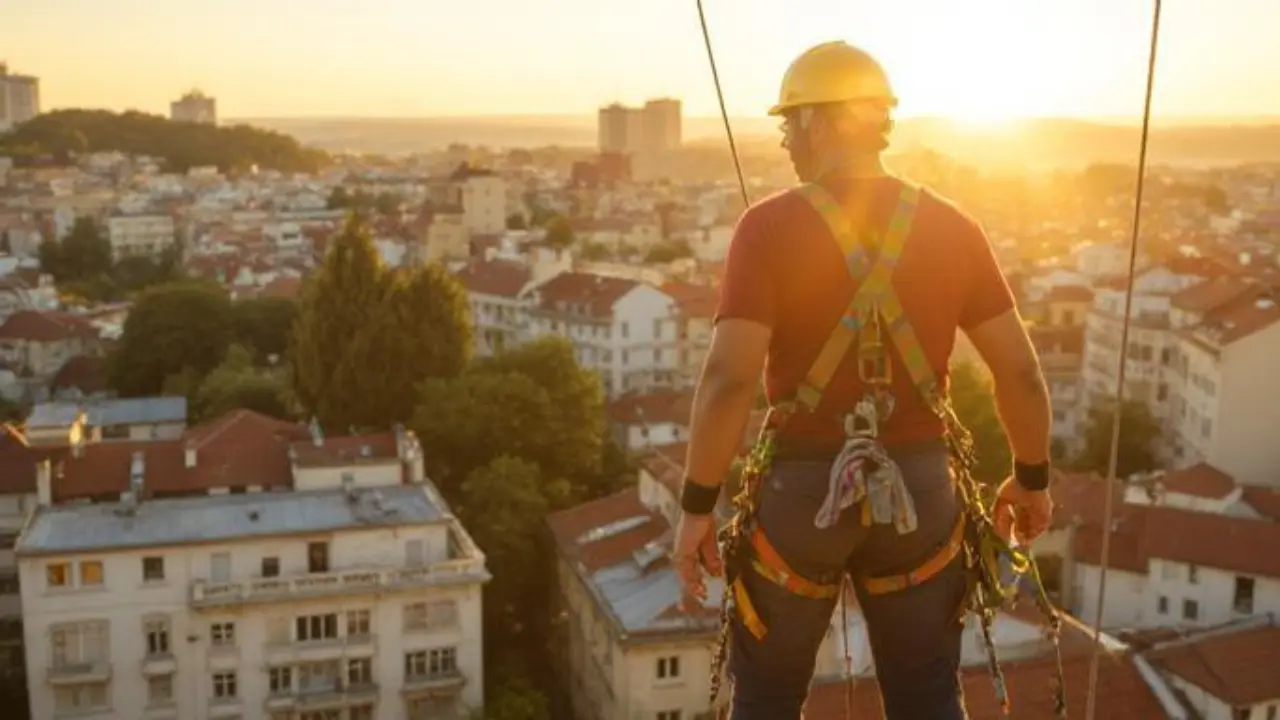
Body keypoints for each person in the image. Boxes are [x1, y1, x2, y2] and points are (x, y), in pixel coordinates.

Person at [673, 41, 1055, 719]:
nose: (786, 141)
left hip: (801, 493)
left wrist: (697, 507)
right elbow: (1019, 370)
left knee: (766, 699)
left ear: (820, 122)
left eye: (790, 124)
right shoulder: (952, 227)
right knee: (926, 694)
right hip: (922, 494)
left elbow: (729, 379)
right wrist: (1031, 478)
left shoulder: (767, 228)